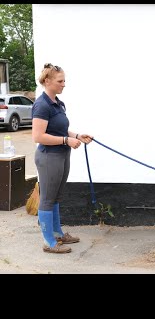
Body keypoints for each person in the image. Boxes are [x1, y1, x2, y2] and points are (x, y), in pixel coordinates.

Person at [32, 63, 93, 254]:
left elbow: (59, 129)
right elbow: (38, 136)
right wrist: (66, 140)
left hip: (61, 155)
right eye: (60, 81)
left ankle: (57, 233)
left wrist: (76, 136)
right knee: (48, 199)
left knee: (56, 196)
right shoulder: (42, 105)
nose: (64, 84)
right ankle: (49, 242)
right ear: (47, 81)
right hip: (49, 157)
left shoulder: (57, 103)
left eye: (64, 80)